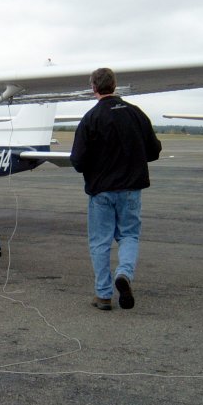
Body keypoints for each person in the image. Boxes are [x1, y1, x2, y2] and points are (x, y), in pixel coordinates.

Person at [70, 67, 162, 311]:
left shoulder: (91, 118)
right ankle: (124, 273)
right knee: (129, 235)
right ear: (114, 85)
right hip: (131, 188)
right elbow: (154, 150)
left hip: (101, 191)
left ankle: (103, 294)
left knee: (100, 242)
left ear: (94, 87)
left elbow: (77, 161)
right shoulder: (135, 113)